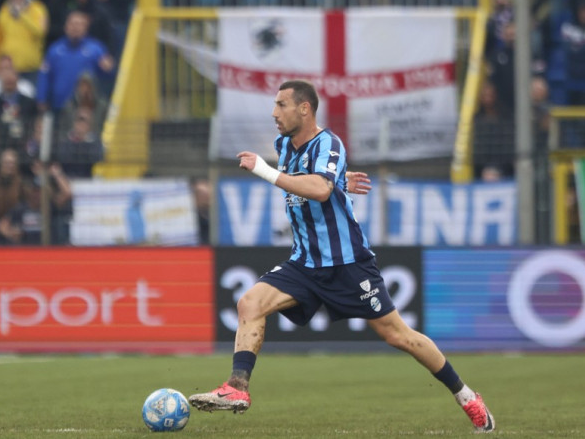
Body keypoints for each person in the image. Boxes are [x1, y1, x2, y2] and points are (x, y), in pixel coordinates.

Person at [187, 80, 496, 434]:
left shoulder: (329, 142)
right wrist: (338, 179)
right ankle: (237, 388)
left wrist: (270, 171)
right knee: (249, 303)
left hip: (347, 264)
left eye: (281, 105)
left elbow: (318, 189)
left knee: (399, 336)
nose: (274, 113)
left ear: (305, 109)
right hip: (305, 263)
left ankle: (467, 397)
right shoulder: (283, 144)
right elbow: (316, 180)